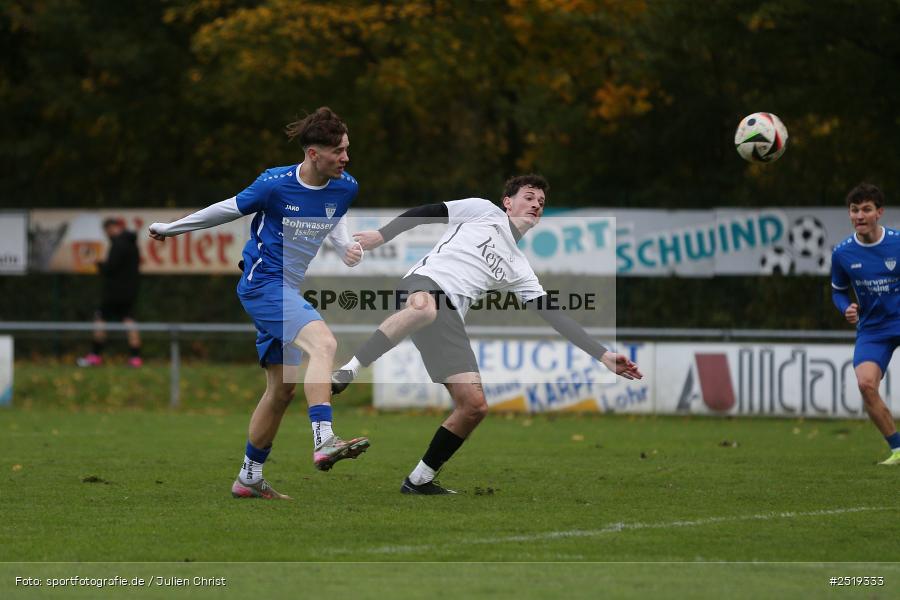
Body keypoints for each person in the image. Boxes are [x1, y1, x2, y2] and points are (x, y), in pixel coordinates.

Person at [331, 174, 643, 494]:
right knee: (426, 308)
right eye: (529, 196)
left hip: (449, 319)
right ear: (507, 203)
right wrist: (381, 236)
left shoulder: (519, 267)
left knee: (474, 407)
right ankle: (349, 369)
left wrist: (603, 354)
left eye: (541, 202)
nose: (536, 204)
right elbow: (430, 211)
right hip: (423, 284)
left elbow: (554, 315)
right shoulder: (482, 210)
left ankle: (419, 480)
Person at [148, 107, 370, 499]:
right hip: (263, 285)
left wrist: (344, 247)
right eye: (338, 151)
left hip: (287, 290)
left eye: (347, 148)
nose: (346, 157)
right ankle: (324, 439)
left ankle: (248, 477)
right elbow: (227, 208)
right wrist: (172, 228)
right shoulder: (274, 184)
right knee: (325, 344)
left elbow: (335, 218)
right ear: (313, 154)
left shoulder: (345, 185)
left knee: (281, 390)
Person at [831, 182, 900, 466]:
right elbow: (837, 290)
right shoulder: (843, 253)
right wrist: (845, 307)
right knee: (865, 384)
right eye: (854, 210)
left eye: (866, 209)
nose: (859, 215)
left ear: (879, 213)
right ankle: (898, 449)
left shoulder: (897, 243)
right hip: (873, 329)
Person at [78, 218, 143, 368]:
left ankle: (95, 356)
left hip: (114, 292)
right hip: (130, 290)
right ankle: (135, 358)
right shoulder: (132, 243)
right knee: (129, 320)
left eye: (107, 231)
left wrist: (98, 263)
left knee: (100, 319)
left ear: (111, 228)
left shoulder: (118, 244)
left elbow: (110, 268)